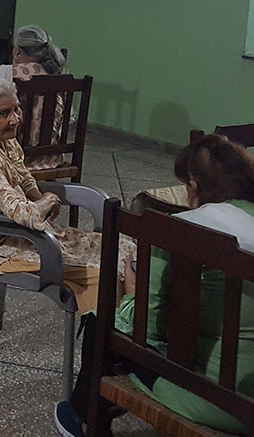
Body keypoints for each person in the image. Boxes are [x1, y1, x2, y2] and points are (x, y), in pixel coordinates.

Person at [54, 134, 254, 437]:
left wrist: (134, 293)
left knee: (102, 323)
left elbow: (146, 329)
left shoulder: (182, 230)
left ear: (194, 185)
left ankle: (85, 422)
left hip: (219, 399)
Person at [0, 77, 132, 314]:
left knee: (126, 249)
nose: (15, 119)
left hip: (33, 233)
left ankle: (128, 330)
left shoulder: (3, 141)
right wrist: (47, 202)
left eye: (16, 109)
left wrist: (35, 193)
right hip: (12, 244)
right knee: (111, 269)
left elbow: (22, 175)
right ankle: (104, 341)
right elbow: (21, 212)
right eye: (4, 113)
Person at [12, 24, 67, 170]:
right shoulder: (57, 74)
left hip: (17, 155)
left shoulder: (13, 74)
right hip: (52, 155)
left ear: (17, 51)